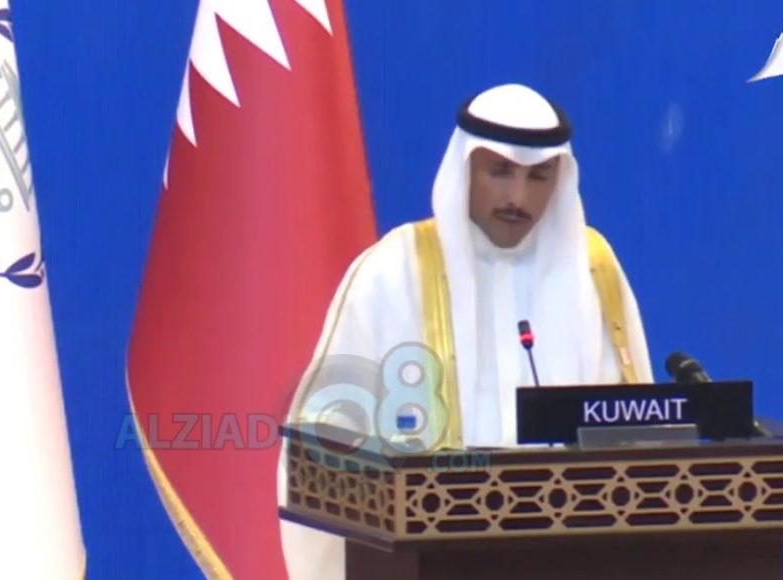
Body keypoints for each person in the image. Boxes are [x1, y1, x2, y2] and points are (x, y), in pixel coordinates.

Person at [277, 83, 654, 580]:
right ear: (465, 168)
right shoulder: (393, 273)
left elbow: (635, 437)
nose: (517, 197)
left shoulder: (592, 271)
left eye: (538, 177)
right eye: (500, 172)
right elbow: (324, 449)